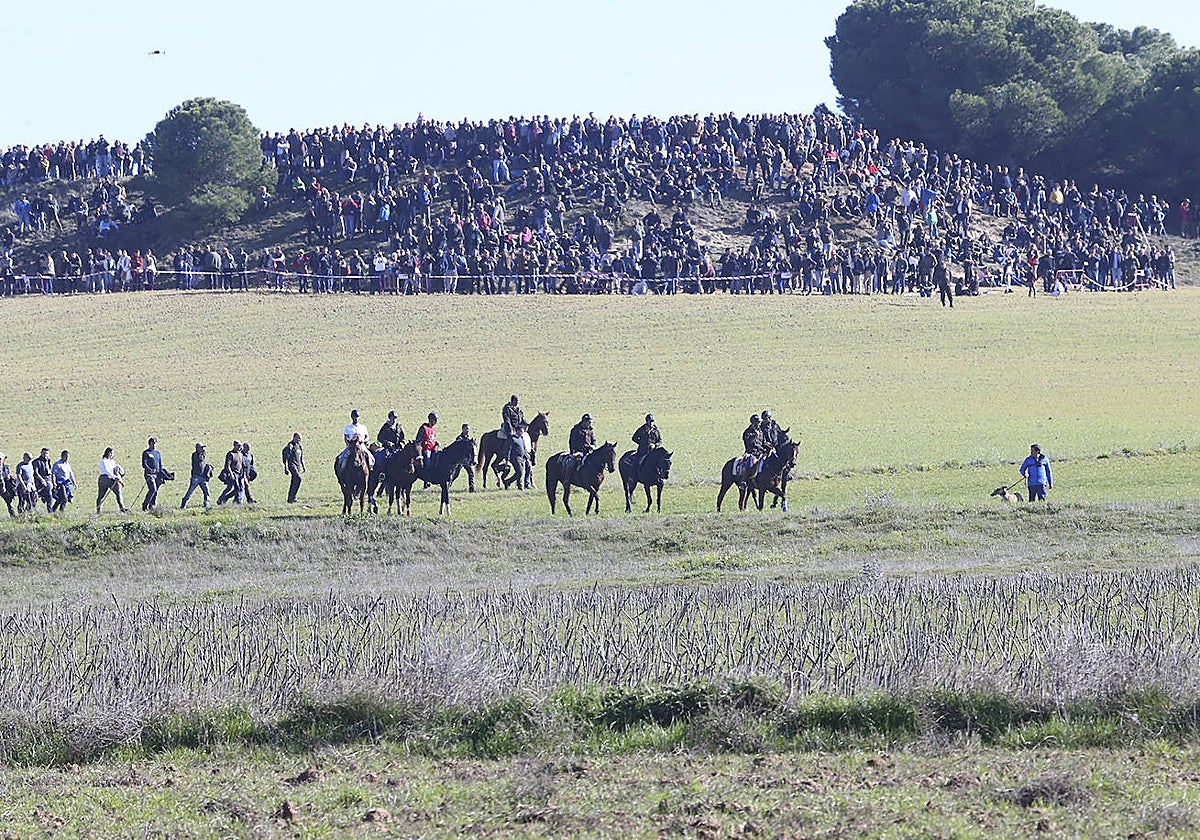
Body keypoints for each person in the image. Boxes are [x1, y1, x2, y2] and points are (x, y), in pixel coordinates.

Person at [180, 442, 212, 509]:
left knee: (206, 491)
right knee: (190, 491)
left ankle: (207, 503)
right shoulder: (194, 455)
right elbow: (200, 459)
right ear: (197, 448)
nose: (203, 449)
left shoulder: (202, 454)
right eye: (201, 448)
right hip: (196, 477)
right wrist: (203, 453)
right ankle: (184, 502)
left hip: (203, 477)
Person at [96, 446, 128, 513]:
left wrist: (118, 476)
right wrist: (114, 477)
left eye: (112, 453)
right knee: (101, 495)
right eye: (110, 453)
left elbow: (115, 470)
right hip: (104, 479)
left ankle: (122, 508)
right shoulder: (103, 461)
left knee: (118, 492)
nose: (111, 454)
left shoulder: (112, 462)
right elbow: (107, 471)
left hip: (112, 479)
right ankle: (98, 509)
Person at [217, 440, 245, 505]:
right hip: (233, 474)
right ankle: (221, 499)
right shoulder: (230, 454)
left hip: (239, 474)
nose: (240, 447)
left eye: (240, 446)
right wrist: (231, 474)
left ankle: (229, 499)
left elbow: (243, 465)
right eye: (238, 446)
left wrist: (244, 473)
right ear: (234, 446)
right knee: (229, 488)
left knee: (238, 488)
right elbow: (227, 465)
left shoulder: (240, 454)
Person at [282, 432, 305, 503]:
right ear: (294, 437)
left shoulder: (299, 446)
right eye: (298, 438)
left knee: (294, 481)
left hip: (298, 466)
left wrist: (303, 466)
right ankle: (292, 497)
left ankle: (291, 498)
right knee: (298, 479)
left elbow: (301, 457)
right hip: (292, 465)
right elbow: (285, 458)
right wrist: (285, 468)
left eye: (300, 438)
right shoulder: (290, 446)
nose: (299, 440)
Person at [141, 437, 162, 511]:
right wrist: (150, 470)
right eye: (152, 443)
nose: (154, 445)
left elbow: (160, 464)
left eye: (155, 443)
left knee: (156, 490)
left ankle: (152, 505)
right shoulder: (146, 453)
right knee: (153, 489)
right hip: (149, 475)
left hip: (157, 475)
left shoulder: (157, 453)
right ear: (149, 444)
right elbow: (144, 464)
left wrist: (162, 473)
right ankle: (145, 505)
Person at [31, 447, 54, 511]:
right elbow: (36, 473)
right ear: (41, 453)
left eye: (47, 453)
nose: (45, 455)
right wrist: (42, 480)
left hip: (48, 481)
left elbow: (50, 473)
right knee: (34, 498)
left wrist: (52, 482)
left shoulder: (48, 461)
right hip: (39, 482)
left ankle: (50, 512)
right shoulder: (36, 462)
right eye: (44, 453)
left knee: (50, 496)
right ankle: (29, 512)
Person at [455, 422, 476, 492]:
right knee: (456, 474)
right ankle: (448, 485)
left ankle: (471, 488)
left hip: (467, 460)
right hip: (460, 460)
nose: (467, 430)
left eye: (468, 429)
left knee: (471, 472)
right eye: (466, 429)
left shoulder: (469, 438)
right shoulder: (459, 438)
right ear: (462, 429)